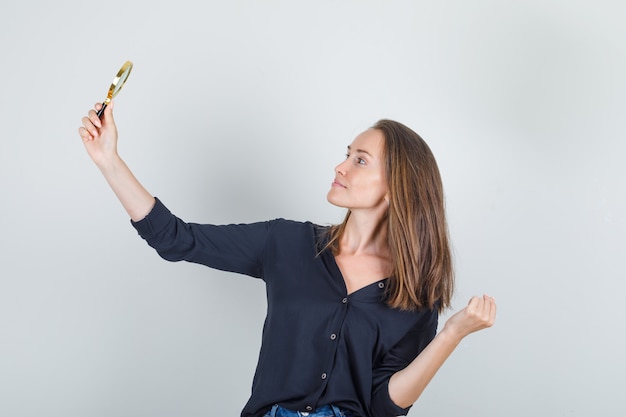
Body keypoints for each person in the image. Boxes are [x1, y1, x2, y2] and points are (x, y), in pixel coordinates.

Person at [79, 101, 496, 417]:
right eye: (347, 153)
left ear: (394, 189)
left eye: (359, 160)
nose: (340, 165)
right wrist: (109, 161)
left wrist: (451, 335)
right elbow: (176, 240)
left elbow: (384, 407)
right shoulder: (286, 242)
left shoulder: (413, 298)